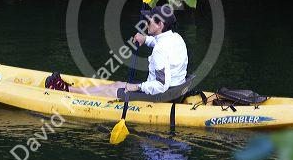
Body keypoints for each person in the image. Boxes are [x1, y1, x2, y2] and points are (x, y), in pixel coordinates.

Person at [45, 5, 188, 98]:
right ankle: (70, 90)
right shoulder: (176, 38)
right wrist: (145, 39)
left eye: (149, 20)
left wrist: (136, 86)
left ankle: (66, 91)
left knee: (112, 90)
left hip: (162, 95)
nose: (146, 22)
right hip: (175, 89)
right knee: (117, 84)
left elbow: (161, 85)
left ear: (160, 24)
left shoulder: (160, 50)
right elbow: (160, 44)